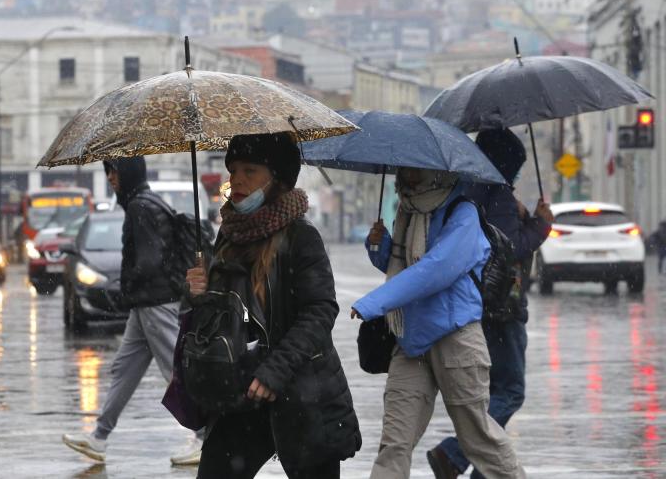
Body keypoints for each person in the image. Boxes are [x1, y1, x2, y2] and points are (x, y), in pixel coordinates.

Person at [185, 132, 361, 479]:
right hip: (242, 391)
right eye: (233, 170)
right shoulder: (227, 235)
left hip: (301, 392)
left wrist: (274, 371)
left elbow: (320, 310)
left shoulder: (301, 237)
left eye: (250, 171)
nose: (237, 180)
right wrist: (197, 293)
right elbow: (220, 316)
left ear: (276, 179)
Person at [352, 167, 526, 479]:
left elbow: (435, 270)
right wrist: (379, 245)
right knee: (394, 443)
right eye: (405, 165)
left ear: (438, 171)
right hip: (410, 340)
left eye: (415, 166)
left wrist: (375, 303)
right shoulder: (409, 211)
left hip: (455, 337)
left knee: (479, 440)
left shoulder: (463, 213)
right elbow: (400, 265)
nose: (408, 172)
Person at [426, 128, 552, 478]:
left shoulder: (466, 189)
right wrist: (540, 226)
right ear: (507, 165)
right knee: (510, 392)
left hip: (475, 304)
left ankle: (483, 469)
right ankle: (453, 454)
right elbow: (507, 248)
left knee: (489, 395)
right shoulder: (495, 193)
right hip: (501, 307)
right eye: (516, 168)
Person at [62, 157, 202, 465]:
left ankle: (206, 436)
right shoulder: (145, 203)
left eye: (114, 171)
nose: (111, 178)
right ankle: (99, 437)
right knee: (124, 370)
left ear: (128, 172)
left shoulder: (141, 206)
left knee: (176, 373)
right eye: (108, 172)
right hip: (146, 306)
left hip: (155, 303)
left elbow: (150, 261)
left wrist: (126, 285)